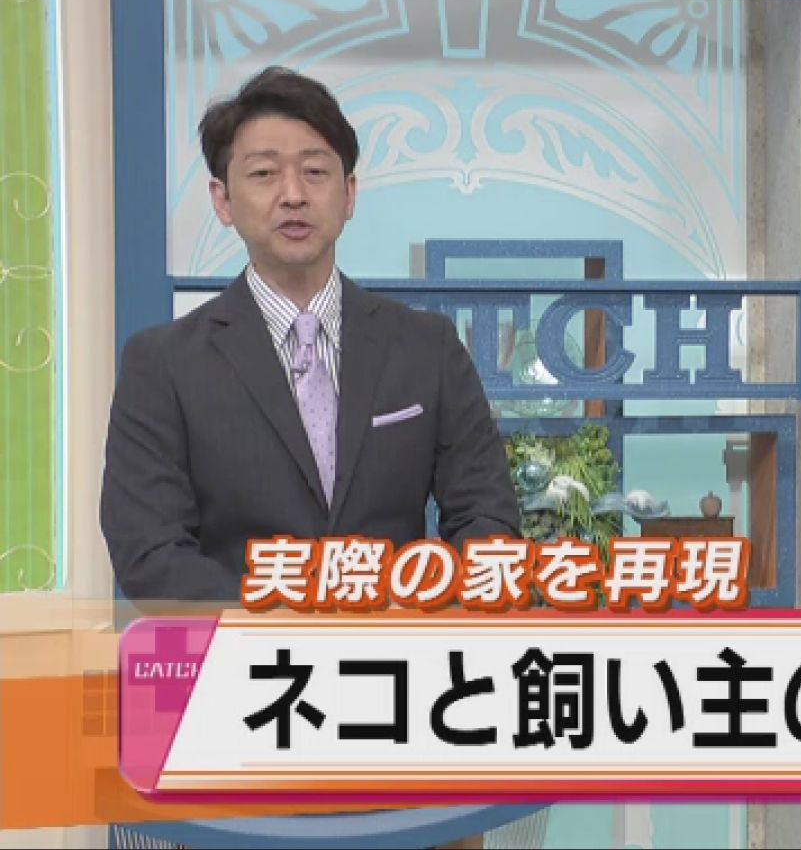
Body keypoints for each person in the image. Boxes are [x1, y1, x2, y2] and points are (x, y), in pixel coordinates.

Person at [101, 66, 523, 603]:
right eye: (263, 174)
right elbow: (149, 552)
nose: (293, 195)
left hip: (398, 643)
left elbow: (488, 519)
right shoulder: (163, 364)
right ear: (223, 201)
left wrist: (419, 611)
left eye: (315, 171)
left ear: (349, 194)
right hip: (243, 649)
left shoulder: (427, 348)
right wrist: (288, 622)